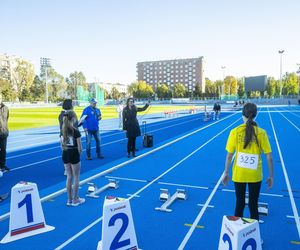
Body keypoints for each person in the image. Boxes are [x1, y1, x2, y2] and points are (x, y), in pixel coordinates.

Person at [222, 103, 274, 221]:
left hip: (239, 174)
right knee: (253, 205)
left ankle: (237, 236)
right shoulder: (261, 133)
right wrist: (271, 176)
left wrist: (226, 172)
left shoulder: (234, 132)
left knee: (239, 203)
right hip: (255, 175)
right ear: (255, 115)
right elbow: (269, 157)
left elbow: (229, 156)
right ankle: (254, 237)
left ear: (242, 115)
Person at [60, 110, 85, 206]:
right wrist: (79, 154)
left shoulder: (63, 131)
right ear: (73, 119)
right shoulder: (76, 131)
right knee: (76, 177)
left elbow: (62, 145)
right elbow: (80, 148)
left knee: (69, 176)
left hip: (65, 154)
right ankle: (75, 199)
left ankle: (69, 199)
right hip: (74, 153)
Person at [0, 94, 9, 172]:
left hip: (3, 133)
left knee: (3, 150)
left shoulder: (6, 108)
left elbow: (6, 119)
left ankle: (2, 166)